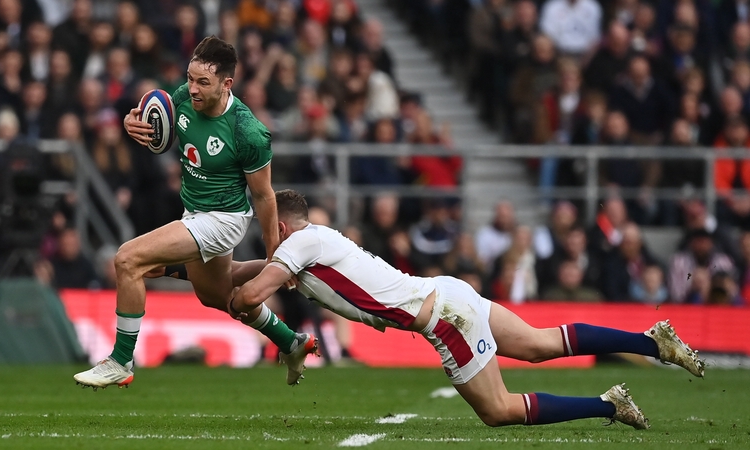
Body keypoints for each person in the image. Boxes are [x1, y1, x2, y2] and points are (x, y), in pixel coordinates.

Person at [229, 190, 705, 429]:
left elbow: (249, 295)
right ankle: (652, 342)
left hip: (444, 317)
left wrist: (245, 304)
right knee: (541, 343)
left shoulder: (301, 243)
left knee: (497, 412)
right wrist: (178, 266)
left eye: (268, 225)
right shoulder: (312, 243)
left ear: (283, 226)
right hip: (446, 292)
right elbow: (239, 272)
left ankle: (608, 406)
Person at [73, 37, 317, 390]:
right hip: (194, 212)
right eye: (190, 78)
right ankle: (291, 341)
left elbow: (263, 197)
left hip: (223, 220)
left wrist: (273, 254)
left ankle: (120, 360)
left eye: (203, 82)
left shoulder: (247, 131)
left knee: (128, 259)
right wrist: (131, 121)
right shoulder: (187, 97)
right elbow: (154, 114)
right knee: (217, 296)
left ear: (226, 84)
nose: (192, 88)